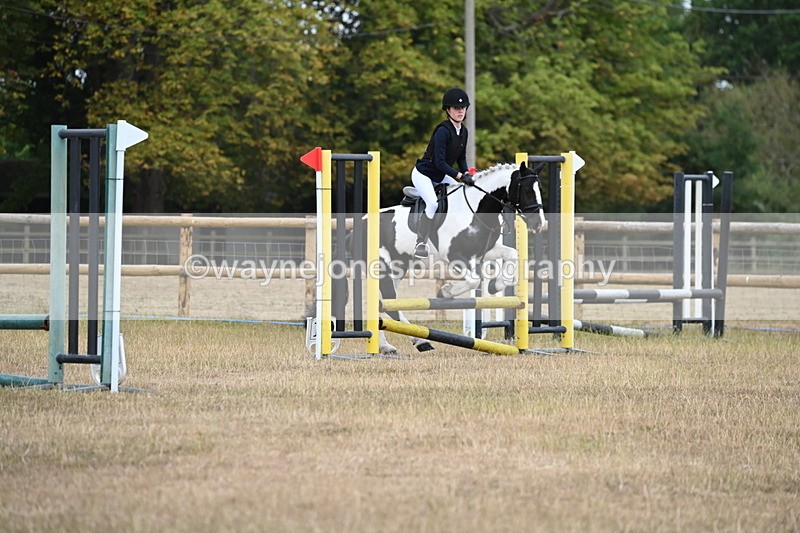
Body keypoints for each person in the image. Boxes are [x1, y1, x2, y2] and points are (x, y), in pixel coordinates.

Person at [411, 87, 475, 258]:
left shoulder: (464, 131)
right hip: (424, 174)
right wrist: (460, 176)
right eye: (456, 108)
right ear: (448, 110)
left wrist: (467, 173)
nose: (460, 111)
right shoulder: (442, 131)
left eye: (463, 108)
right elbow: (439, 163)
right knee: (432, 203)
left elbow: (461, 158)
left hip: (440, 175)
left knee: (461, 194)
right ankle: (421, 242)